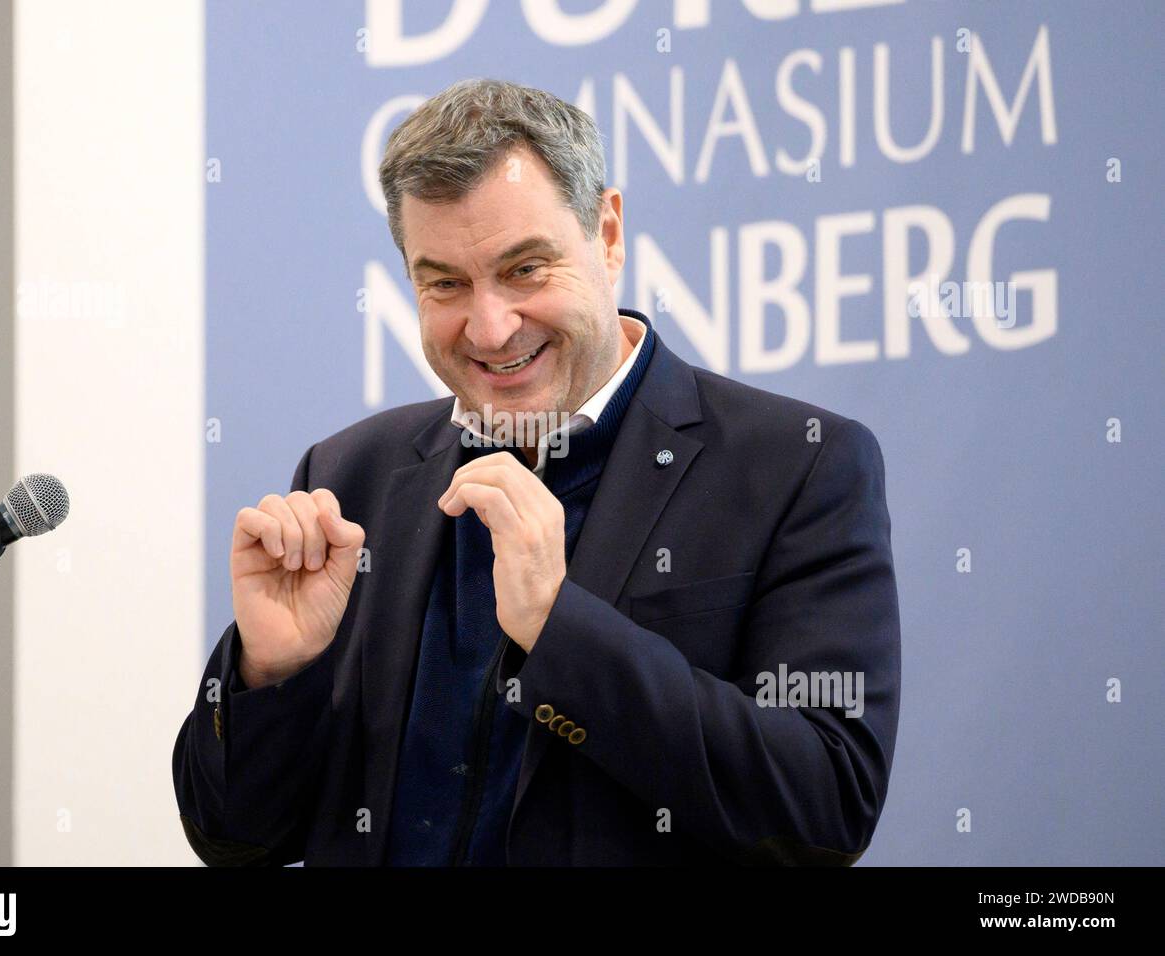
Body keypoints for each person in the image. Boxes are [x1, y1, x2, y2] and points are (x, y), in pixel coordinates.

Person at [172, 78, 900, 866]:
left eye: (524, 270)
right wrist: (273, 671)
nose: (489, 327)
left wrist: (561, 630)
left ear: (608, 233)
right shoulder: (351, 475)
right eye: (444, 282)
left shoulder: (797, 463)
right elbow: (231, 837)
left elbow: (824, 807)